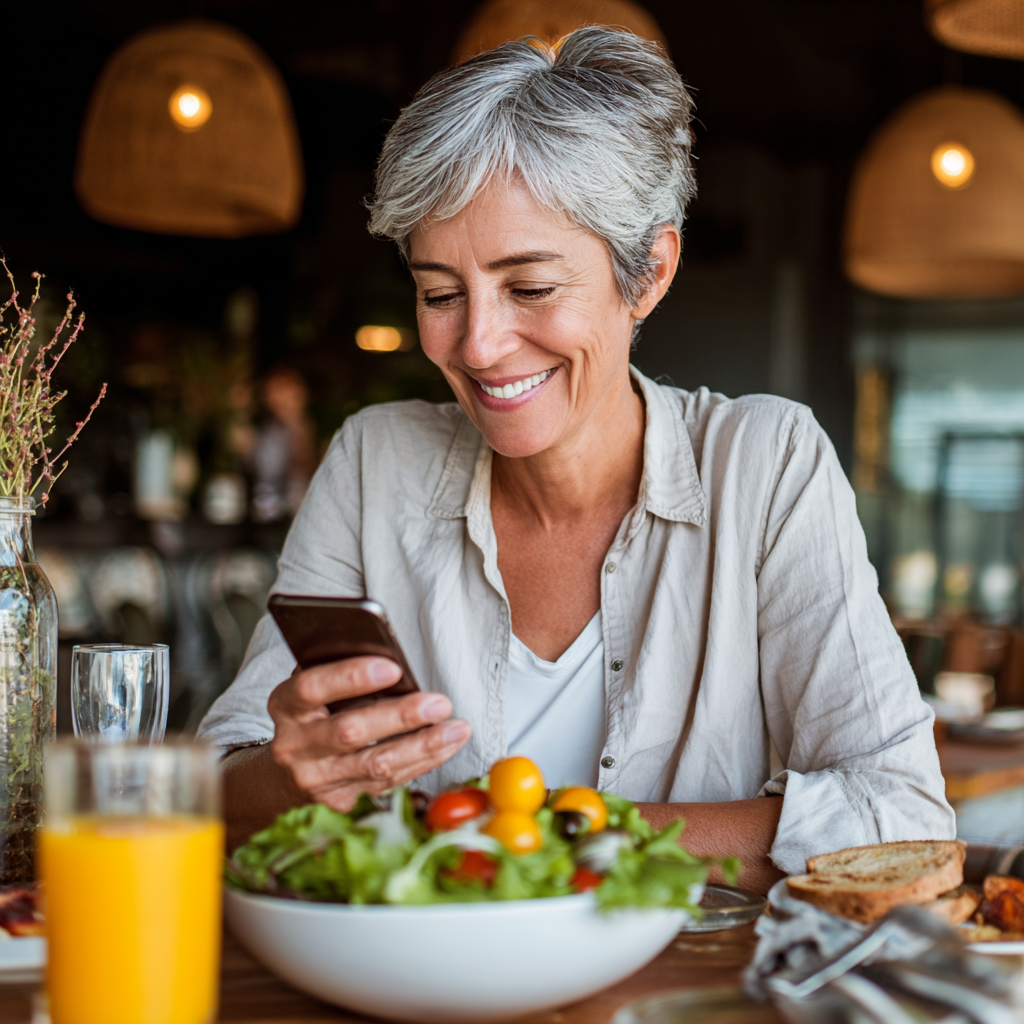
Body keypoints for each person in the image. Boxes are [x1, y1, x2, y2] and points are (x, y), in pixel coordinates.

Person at [199, 28, 954, 892]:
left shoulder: (767, 466)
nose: (478, 344)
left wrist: (558, 837)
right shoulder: (376, 463)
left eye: (531, 288)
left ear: (649, 273)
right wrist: (288, 777)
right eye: (439, 293)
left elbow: (900, 813)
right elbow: (218, 786)